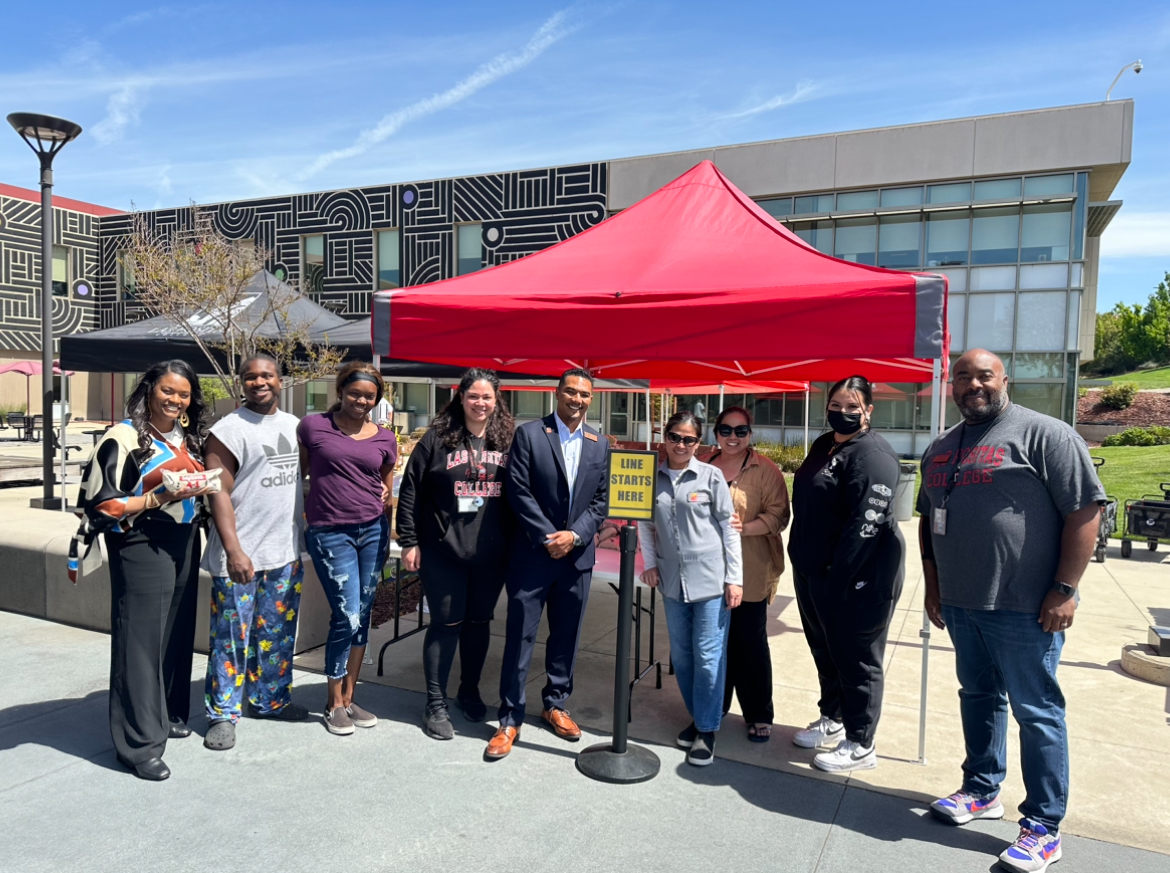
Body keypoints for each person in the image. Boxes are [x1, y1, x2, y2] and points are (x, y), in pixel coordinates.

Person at [918, 349, 1103, 873]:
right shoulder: (941, 447)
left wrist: (1065, 589)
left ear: (1005, 380)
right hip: (960, 603)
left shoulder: (1046, 435)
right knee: (978, 696)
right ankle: (981, 789)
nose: (973, 385)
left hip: (1025, 607)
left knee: (1036, 710)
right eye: (963, 377)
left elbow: (1085, 511)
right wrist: (934, 587)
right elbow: (929, 520)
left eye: (984, 376)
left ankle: (1043, 826)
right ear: (951, 387)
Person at [76, 359, 211, 781]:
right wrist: (157, 499)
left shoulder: (189, 437)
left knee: (173, 633)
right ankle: (137, 745)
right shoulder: (124, 437)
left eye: (183, 393)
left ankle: (167, 713)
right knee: (140, 638)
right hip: (140, 540)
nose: (175, 399)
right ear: (150, 389)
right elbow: (103, 505)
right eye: (167, 390)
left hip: (185, 538)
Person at [486, 368, 609, 760]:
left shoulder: (599, 443)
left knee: (566, 638)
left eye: (584, 394)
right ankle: (509, 718)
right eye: (570, 391)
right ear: (557, 394)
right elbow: (517, 491)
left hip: (576, 559)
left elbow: (601, 502)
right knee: (520, 637)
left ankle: (555, 703)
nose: (577, 399)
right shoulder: (530, 435)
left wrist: (574, 537)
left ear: (592, 399)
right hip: (533, 555)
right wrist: (548, 537)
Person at [787, 375, 904, 773]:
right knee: (826, 652)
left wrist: (840, 578)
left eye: (852, 407)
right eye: (836, 406)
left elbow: (864, 526)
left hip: (856, 579)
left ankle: (860, 743)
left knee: (856, 660)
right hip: (812, 572)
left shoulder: (874, 456)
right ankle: (833, 719)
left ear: (868, 410)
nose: (842, 413)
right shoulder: (825, 444)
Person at [397, 368, 515, 739]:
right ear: (460, 397)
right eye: (474, 396)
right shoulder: (436, 440)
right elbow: (411, 491)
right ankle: (435, 703)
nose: (480, 403)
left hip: (491, 552)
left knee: (480, 623)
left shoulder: (507, 440)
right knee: (446, 624)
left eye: (487, 398)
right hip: (442, 550)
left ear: (497, 402)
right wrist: (409, 540)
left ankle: (469, 689)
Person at [202, 353, 307, 751]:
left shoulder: (294, 426)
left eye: (267, 375)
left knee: (277, 636)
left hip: (284, 553)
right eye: (250, 377)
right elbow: (218, 492)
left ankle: (270, 700)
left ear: (281, 380)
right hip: (240, 558)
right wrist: (233, 551)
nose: (259, 382)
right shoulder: (227, 431)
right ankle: (223, 714)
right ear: (241, 383)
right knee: (231, 640)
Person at [298, 362, 398, 736]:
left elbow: (385, 489)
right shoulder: (313, 426)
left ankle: (350, 696)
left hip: (372, 532)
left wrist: (387, 531)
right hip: (330, 533)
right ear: (340, 390)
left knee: (363, 614)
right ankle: (333, 701)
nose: (361, 400)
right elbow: (301, 477)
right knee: (347, 615)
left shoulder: (385, 438)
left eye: (369, 396)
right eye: (355, 393)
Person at [640, 411, 743, 766]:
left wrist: (735, 579)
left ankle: (707, 728)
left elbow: (730, 530)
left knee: (709, 656)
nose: (681, 444)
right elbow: (644, 526)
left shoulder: (711, 476)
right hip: (671, 581)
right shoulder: (651, 477)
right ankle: (699, 717)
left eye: (689, 439)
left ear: (699, 443)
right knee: (682, 656)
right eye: (675, 436)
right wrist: (649, 564)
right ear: (663, 437)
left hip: (712, 581)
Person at [702, 406, 790, 743]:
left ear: (750, 434)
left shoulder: (765, 471)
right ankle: (716, 706)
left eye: (741, 431)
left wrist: (745, 528)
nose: (733, 437)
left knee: (749, 643)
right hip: (706, 570)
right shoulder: (704, 465)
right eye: (726, 430)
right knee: (714, 644)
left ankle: (758, 713)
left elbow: (779, 515)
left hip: (751, 569)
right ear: (716, 433)